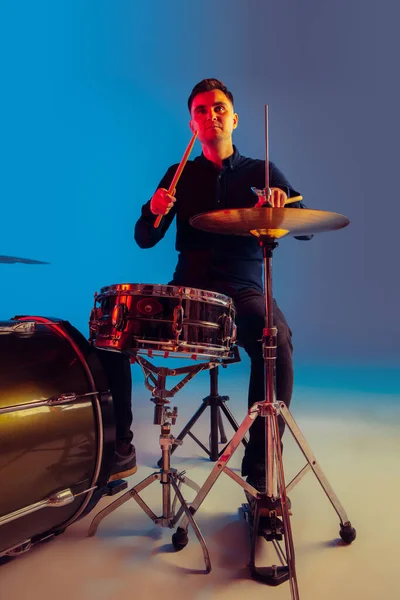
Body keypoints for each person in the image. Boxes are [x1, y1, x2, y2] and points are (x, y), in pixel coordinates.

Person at [134, 78, 311, 492]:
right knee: (112, 332)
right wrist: (152, 209)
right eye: (200, 110)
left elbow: (304, 228)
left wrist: (280, 211)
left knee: (277, 339)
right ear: (192, 124)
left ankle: (261, 466)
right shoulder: (178, 174)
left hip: (243, 289)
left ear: (233, 118)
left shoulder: (262, 172)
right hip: (188, 289)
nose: (210, 115)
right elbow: (145, 238)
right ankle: (120, 448)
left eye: (217, 108)